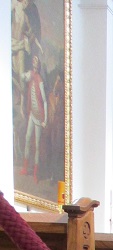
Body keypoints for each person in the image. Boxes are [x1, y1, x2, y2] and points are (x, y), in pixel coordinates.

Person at [20, 53, 47, 183]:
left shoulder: (40, 80)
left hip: (39, 116)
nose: (34, 66)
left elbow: (45, 101)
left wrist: (45, 120)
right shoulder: (31, 76)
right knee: (27, 138)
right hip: (32, 113)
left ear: (38, 66)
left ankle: (36, 173)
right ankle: (25, 168)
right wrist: (24, 74)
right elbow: (23, 76)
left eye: (36, 64)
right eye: (33, 63)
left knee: (36, 145)